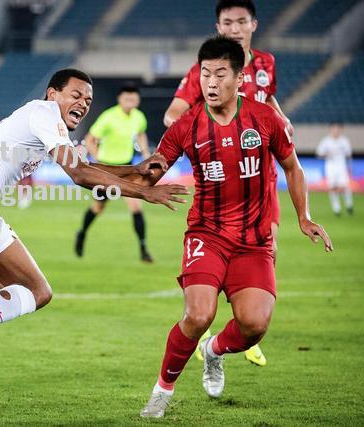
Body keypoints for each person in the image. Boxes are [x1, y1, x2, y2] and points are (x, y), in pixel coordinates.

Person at [0, 69, 189, 409]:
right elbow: (80, 175)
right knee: (38, 292)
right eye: (76, 95)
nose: (83, 104)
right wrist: (145, 193)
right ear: (53, 94)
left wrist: (136, 170)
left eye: (88, 100)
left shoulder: (40, 121)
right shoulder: (43, 113)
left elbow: (82, 164)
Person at [139, 36, 332, 418]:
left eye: (220, 74)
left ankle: (213, 352)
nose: (210, 82)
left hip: (253, 242)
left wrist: (303, 216)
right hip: (207, 235)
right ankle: (161, 392)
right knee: (198, 315)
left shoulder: (264, 118)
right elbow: (152, 168)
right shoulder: (187, 125)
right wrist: (101, 174)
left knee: (254, 325)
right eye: (204, 74)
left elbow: (292, 167)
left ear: (239, 78)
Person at [163, 0, 291, 366]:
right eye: (226, 22)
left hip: (261, 175)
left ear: (254, 24)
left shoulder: (266, 64)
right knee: (217, 253)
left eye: (240, 21)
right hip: (222, 179)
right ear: (218, 26)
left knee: (268, 246)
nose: (234, 28)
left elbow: (268, 99)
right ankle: (207, 322)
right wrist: (196, 130)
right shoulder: (206, 72)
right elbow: (174, 111)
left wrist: (282, 119)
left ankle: (245, 328)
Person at [74, 84, 154, 262]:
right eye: (127, 98)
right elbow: (90, 138)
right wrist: (96, 160)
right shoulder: (109, 117)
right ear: (120, 99)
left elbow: (141, 134)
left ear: (138, 100)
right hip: (107, 169)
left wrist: (146, 154)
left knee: (136, 206)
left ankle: (143, 249)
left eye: (133, 99)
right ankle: (82, 233)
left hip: (127, 168)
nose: (130, 102)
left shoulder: (138, 117)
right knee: (98, 208)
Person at [316, 123, 353, 216]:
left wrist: (350, 167)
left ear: (340, 130)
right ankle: (337, 209)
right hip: (331, 167)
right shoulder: (326, 141)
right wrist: (325, 154)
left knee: (345, 187)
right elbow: (319, 153)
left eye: (338, 129)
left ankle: (349, 205)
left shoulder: (344, 141)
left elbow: (349, 155)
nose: (335, 130)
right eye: (334, 128)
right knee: (332, 188)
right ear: (331, 129)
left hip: (341, 167)